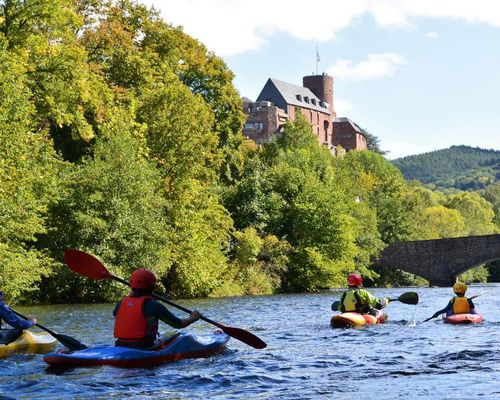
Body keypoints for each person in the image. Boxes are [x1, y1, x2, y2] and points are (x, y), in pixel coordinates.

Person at [113, 268, 201, 349]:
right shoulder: (153, 305)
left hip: (119, 345)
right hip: (144, 347)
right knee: (181, 337)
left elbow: (121, 315)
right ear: (152, 286)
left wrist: (131, 296)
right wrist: (193, 318)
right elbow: (178, 324)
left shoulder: (120, 304)